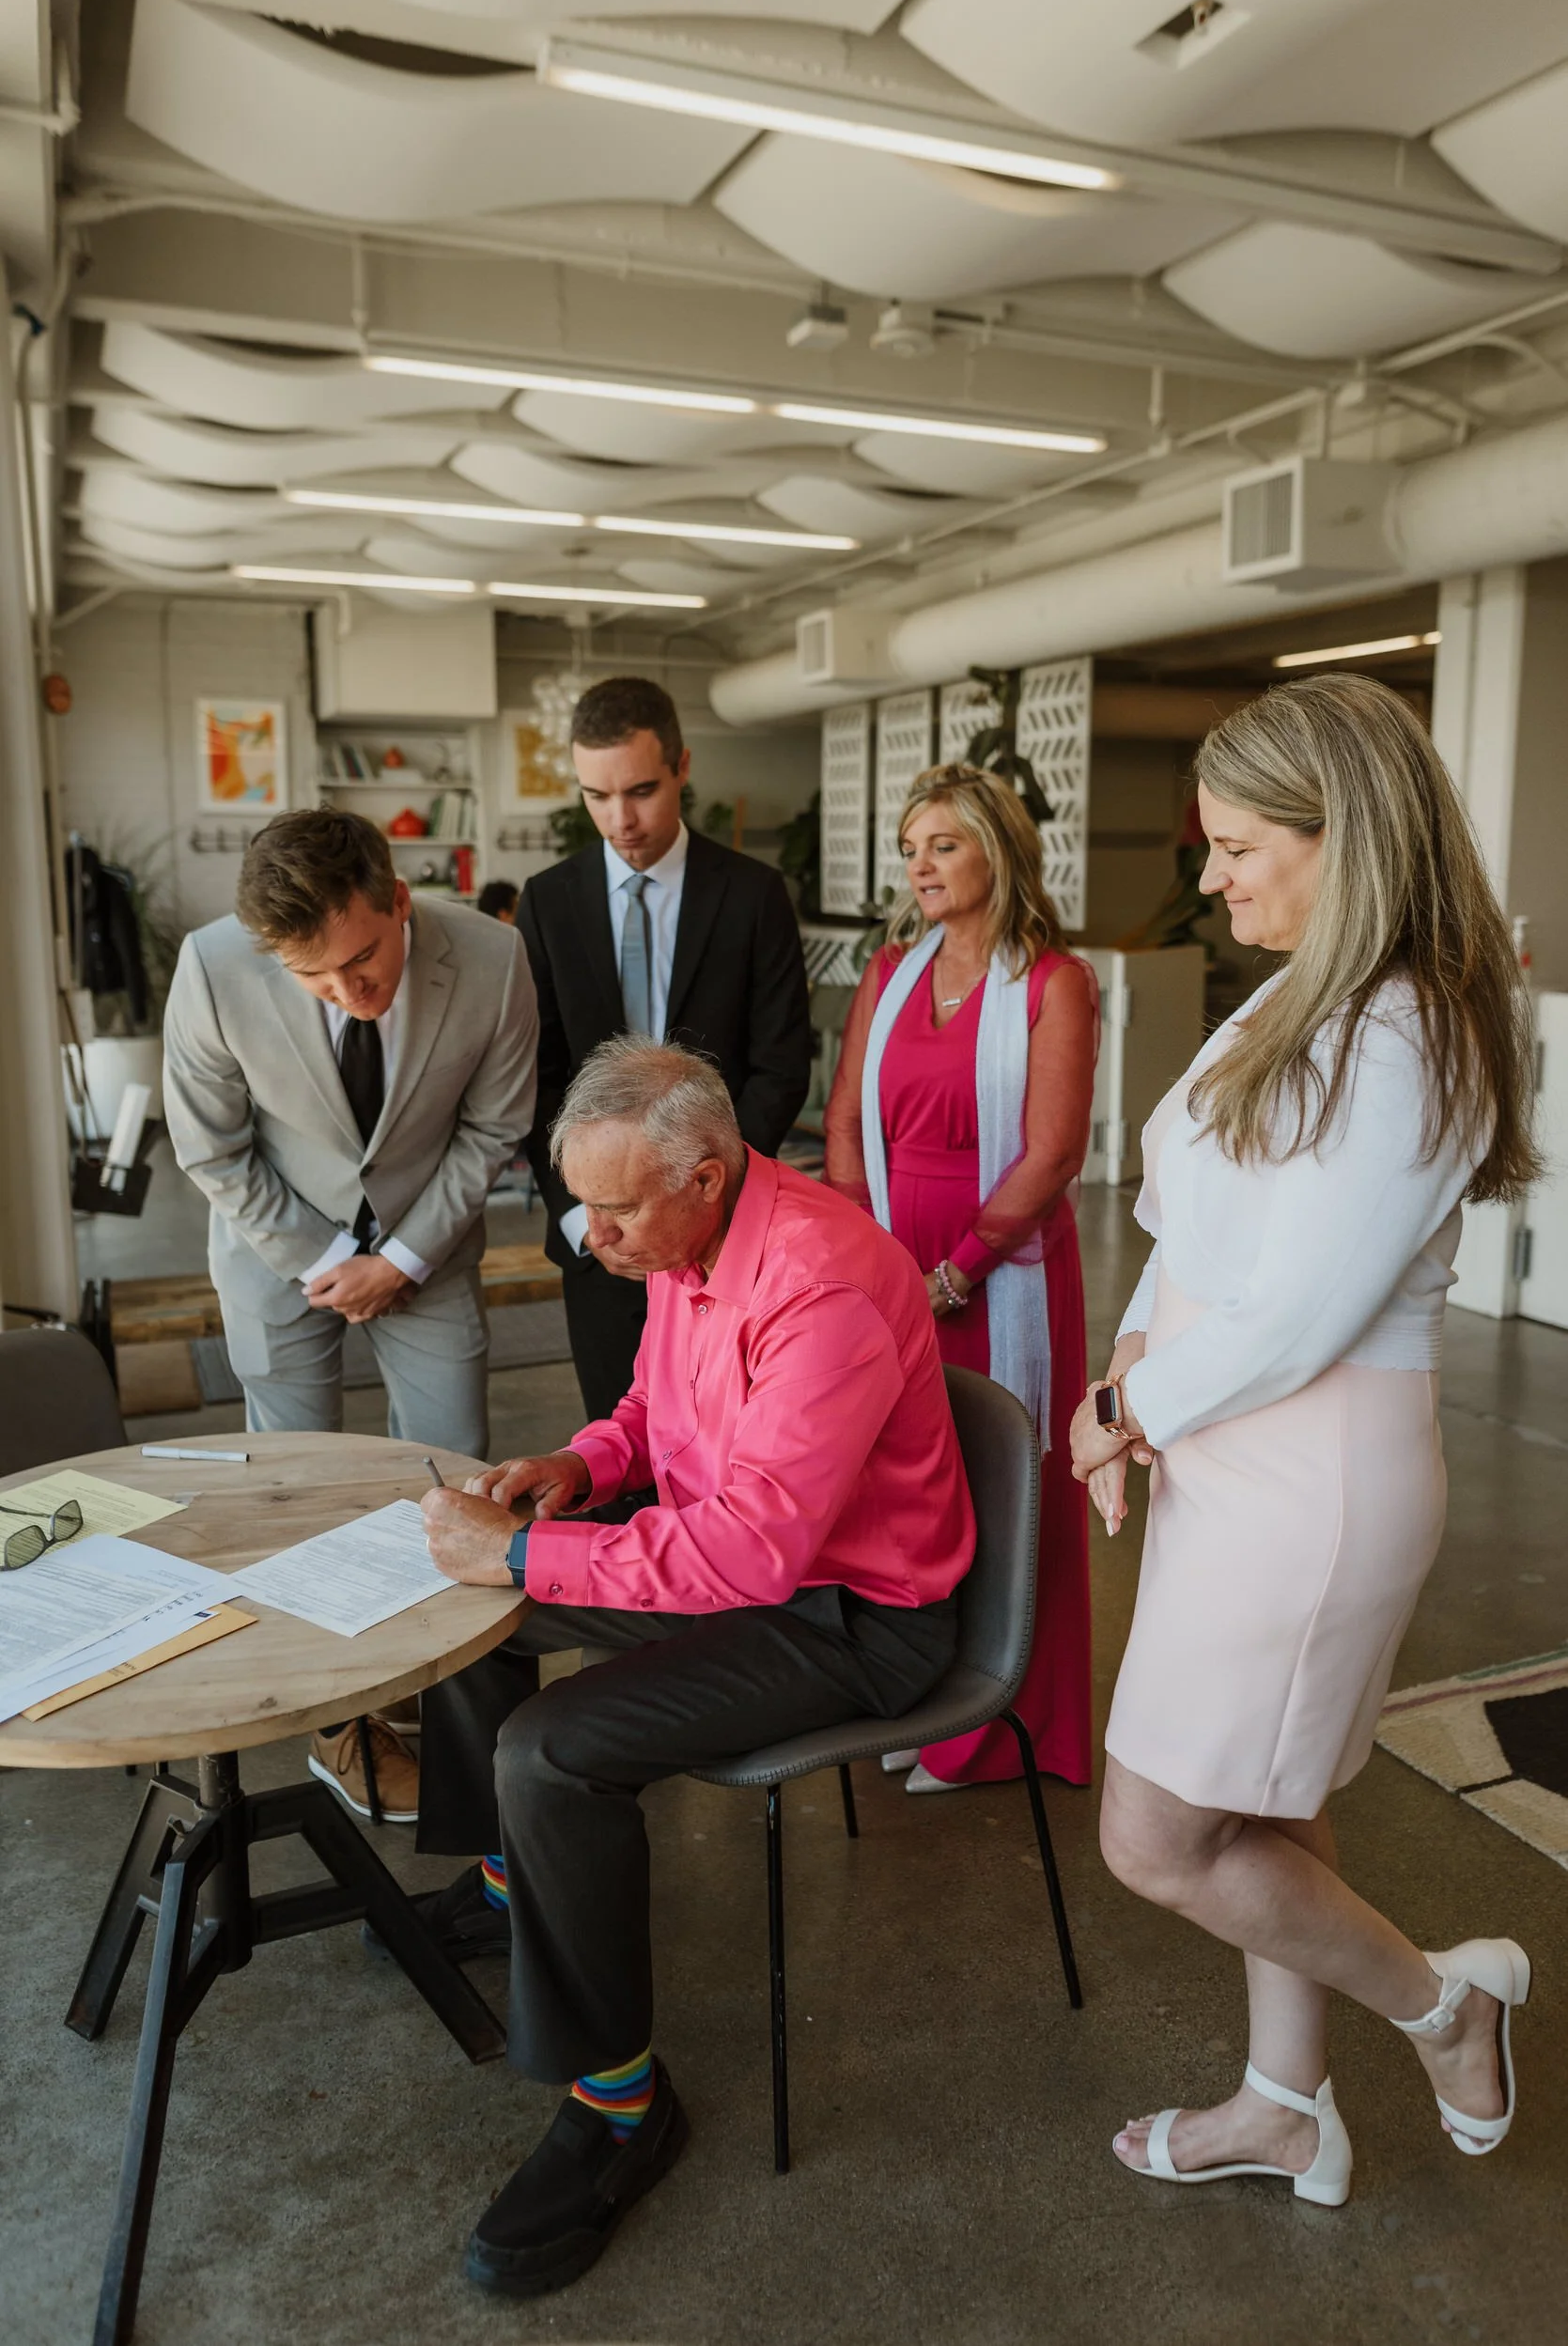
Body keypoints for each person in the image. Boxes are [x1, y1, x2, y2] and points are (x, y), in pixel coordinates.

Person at [1071, 674, 1540, 2204]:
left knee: (1153, 1834)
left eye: (1232, 847)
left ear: (1341, 836)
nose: (1207, 877)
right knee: (1262, 1801)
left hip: (1306, 1474)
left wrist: (1128, 1406)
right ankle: (1284, 2106)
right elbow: (1181, 1229)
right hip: (1225, 1449)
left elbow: (1296, 1316)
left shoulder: (1403, 1034)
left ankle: (1436, 2000)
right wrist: (1120, 1384)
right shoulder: (1293, 995)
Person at [411, 1037, 973, 2298]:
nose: (588, 1236)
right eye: (581, 1205)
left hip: (853, 1615)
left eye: (612, 1210)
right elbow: (658, 1416)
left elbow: (758, 1551)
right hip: (747, 1564)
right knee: (458, 1613)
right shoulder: (688, 1242)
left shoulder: (819, 1279)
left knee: (546, 1748)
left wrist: (526, 1557)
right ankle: (509, 1889)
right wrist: (584, 1469)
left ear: (708, 1174)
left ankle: (618, 2107)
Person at [163, 808, 538, 1819]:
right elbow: (212, 1150)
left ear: (398, 900)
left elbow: (495, 1124)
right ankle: (340, 1724)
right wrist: (333, 1259)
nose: (348, 990)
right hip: (278, 1251)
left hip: (433, 1246)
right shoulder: (212, 968)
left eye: (363, 959)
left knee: (458, 1472)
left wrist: (404, 1256)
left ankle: (445, 1715)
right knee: (297, 1491)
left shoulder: (495, 956)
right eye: (315, 977)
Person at [826, 764, 1096, 1794]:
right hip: (894, 1259)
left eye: (941, 843)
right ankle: (921, 1697)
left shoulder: (1051, 980)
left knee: (1006, 1486)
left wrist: (955, 1272)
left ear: (997, 849)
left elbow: (1053, 1151)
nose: (919, 865)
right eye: (909, 847)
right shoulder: (892, 968)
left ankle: (998, 1727)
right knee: (906, 1491)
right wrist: (870, 1250)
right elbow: (846, 1114)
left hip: (1001, 1265)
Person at [517, 675, 812, 1422]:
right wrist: (580, 1213)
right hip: (597, 1239)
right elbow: (535, 1076)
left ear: (682, 766)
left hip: (726, 1228)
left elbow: (779, 1064)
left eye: (641, 790)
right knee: (614, 1449)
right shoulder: (547, 901)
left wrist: (703, 1201)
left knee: (729, 1444)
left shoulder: (752, 894)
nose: (620, 820)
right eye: (595, 796)